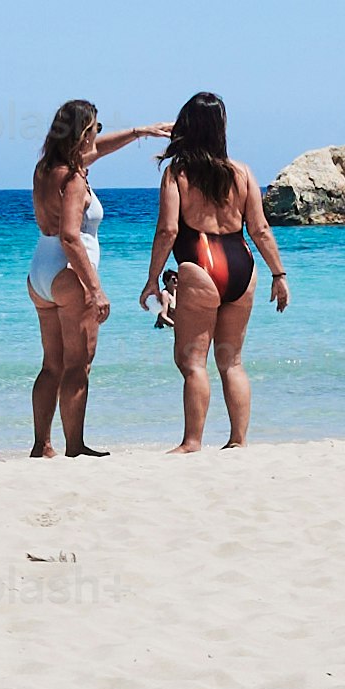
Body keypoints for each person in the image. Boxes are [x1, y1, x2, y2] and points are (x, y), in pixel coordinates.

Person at [136, 91, 285, 452]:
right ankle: (238, 440)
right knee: (232, 361)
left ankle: (192, 441)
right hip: (241, 264)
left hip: (201, 265)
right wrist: (279, 275)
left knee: (192, 361)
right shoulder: (243, 173)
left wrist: (153, 279)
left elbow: (168, 231)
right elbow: (260, 229)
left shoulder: (178, 173)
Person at [25, 99, 162, 459]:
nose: (97, 138)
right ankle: (75, 446)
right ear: (83, 133)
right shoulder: (72, 179)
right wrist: (95, 289)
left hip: (40, 269)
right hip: (68, 275)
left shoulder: (46, 168)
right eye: (95, 129)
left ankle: (42, 445)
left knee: (51, 364)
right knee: (78, 364)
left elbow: (98, 152)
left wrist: (139, 132)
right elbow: (71, 236)